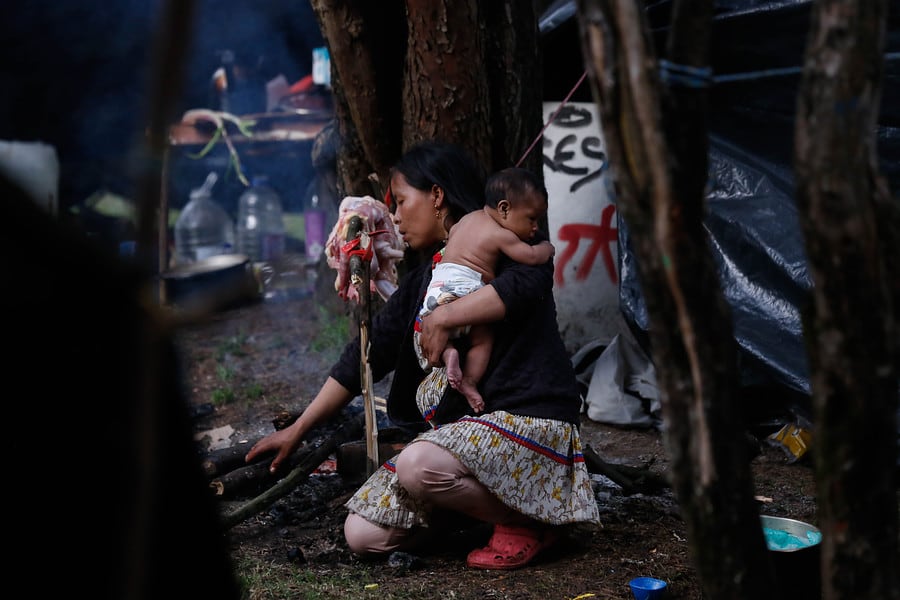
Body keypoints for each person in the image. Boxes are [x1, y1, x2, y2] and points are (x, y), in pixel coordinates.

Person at [245, 140, 599, 570]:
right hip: (463, 443)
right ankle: (479, 512)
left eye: (402, 201)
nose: (395, 217)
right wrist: (299, 428)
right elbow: (364, 356)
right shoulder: (422, 283)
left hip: (530, 423)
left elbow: (515, 292)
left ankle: (532, 523)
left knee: (417, 464)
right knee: (363, 535)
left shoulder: (514, 247)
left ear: (436, 196)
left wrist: (443, 319)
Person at [413, 167, 555, 414]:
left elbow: (451, 239)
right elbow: (530, 256)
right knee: (483, 339)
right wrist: (547, 247)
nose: (535, 227)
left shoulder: (464, 221)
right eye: (532, 219)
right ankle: (469, 381)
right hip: (466, 288)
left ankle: (449, 355)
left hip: (437, 288)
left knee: (438, 331)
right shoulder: (500, 234)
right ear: (504, 208)